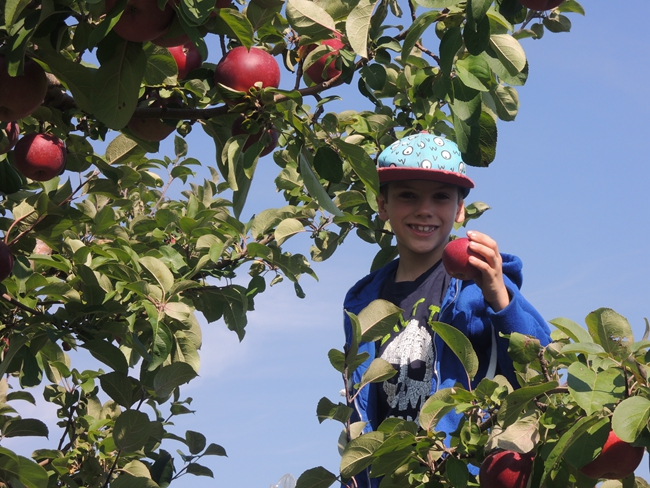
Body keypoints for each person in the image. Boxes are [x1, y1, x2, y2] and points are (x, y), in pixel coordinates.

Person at [342, 132, 551, 487]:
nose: (424, 209)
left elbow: (541, 367)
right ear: (382, 205)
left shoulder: (479, 282)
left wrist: (498, 292)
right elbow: (360, 405)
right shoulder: (364, 300)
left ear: (459, 211)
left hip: (461, 471)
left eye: (440, 197)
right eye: (407, 195)